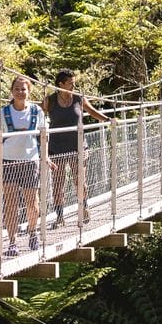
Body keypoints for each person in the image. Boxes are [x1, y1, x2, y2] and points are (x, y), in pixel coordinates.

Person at [0, 74, 51, 256]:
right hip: (8, 161)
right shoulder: (2, 113)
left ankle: (32, 232)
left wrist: (46, 157)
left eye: (23, 89)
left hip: (30, 161)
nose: (20, 92)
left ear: (29, 91)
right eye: (17, 89)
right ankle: (12, 242)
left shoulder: (37, 112)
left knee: (32, 202)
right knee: (10, 204)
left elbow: (44, 137)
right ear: (11, 91)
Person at [44, 69, 108, 228]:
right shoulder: (50, 101)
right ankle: (59, 217)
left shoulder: (79, 99)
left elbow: (92, 112)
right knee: (58, 185)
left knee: (80, 182)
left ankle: (84, 207)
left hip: (78, 147)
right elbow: (36, 114)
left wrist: (108, 120)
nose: (74, 85)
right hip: (56, 149)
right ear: (61, 84)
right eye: (71, 83)